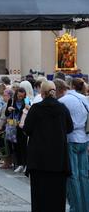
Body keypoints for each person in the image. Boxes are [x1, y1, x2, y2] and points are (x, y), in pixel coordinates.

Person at [24, 81, 73, 212]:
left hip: (39, 159)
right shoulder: (62, 108)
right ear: (54, 92)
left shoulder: (35, 108)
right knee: (57, 195)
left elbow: (27, 128)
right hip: (58, 159)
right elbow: (70, 128)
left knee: (39, 195)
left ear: (42, 93)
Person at [58, 78, 89, 212]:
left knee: (73, 176)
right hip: (84, 138)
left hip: (71, 139)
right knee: (84, 175)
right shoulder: (84, 98)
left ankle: (76, 208)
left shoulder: (63, 101)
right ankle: (85, 207)